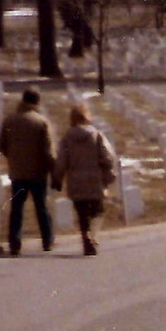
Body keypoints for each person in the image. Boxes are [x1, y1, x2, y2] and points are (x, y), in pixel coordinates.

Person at [0, 88, 57, 256]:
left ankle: (14, 244)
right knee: (41, 208)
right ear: (37, 102)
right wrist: (54, 170)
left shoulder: (9, 121)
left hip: (18, 173)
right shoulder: (41, 122)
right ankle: (47, 241)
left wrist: (12, 156)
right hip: (38, 173)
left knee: (17, 209)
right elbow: (48, 151)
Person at [52, 104, 118, 256]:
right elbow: (107, 156)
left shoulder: (67, 138)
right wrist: (108, 171)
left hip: (76, 181)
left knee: (82, 213)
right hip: (94, 180)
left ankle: (85, 235)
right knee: (97, 210)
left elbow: (61, 161)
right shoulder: (96, 135)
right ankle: (93, 237)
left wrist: (58, 177)